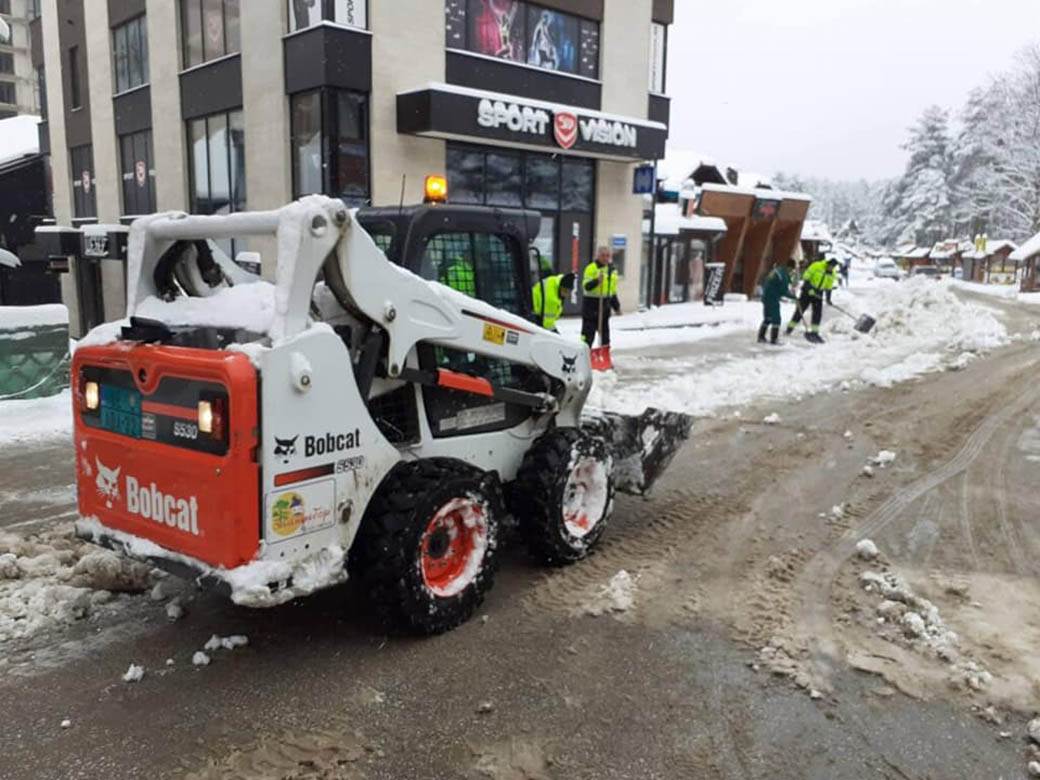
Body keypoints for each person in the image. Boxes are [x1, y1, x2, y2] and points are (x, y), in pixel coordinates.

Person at [786, 257, 839, 344]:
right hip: (807, 291)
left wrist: (828, 299)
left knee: (817, 313)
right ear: (828, 264)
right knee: (800, 311)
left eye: (833, 267)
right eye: (831, 266)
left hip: (818, 293)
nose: (831, 268)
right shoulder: (816, 266)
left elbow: (828, 287)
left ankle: (814, 333)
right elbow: (806, 277)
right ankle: (789, 329)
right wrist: (809, 289)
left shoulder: (832, 273)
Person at [581, 246, 621, 347]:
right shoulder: (591, 268)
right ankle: (584, 356)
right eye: (603, 255)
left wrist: (616, 307)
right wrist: (597, 281)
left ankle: (603, 357)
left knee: (605, 338)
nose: (605, 258)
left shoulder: (612, 270)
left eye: (608, 256)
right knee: (588, 337)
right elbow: (586, 286)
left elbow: (612, 291)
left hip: (604, 308)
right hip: (591, 308)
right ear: (598, 256)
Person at [758, 259, 797, 345]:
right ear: (789, 267)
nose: (791, 271)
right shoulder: (782, 275)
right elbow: (783, 291)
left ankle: (761, 337)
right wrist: (793, 297)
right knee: (776, 319)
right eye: (791, 269)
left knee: (768, 318)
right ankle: (774, 339)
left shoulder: (777, 271)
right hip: (773, 298)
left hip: (766, 297)